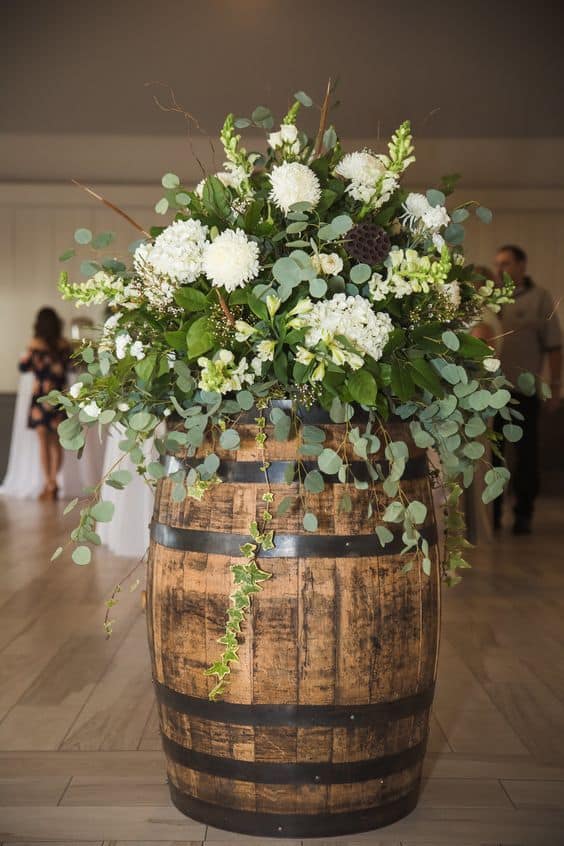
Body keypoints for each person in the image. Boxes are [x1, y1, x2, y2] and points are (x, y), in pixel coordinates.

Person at [493, 245, 562, 534]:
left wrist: (554, 387)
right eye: (498, 264)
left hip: (525, 392)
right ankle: (491, 514)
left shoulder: (541, 299)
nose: (500, 269)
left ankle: (523, 513)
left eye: (506, 263)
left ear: (522, 265)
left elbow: (554, 347)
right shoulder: (492, 299)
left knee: (526, 454)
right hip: (492, 392)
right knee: (493, 454)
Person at [18, 308, 71, 501]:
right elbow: (72, 367)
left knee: (43, 442)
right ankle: (53, 483)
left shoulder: (34, 344)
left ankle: (48, 482)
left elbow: (23, 367)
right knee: (56, 442)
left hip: (40, 398)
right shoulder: (63, 344)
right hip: (58, 398)